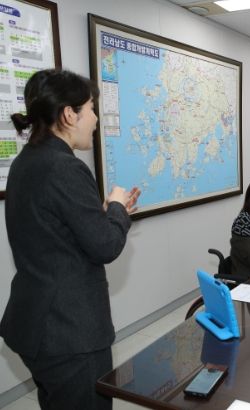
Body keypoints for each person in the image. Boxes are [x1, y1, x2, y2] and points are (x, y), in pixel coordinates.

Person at [0, 69, 141, 410]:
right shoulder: (65, 166)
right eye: (91, 108)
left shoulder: (25, 162)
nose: (95, 119)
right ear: (68, 114)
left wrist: (101, 213)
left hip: (36, 324)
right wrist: (117, 209)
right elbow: (105, 245)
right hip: (69, 333)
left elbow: (53, 231)